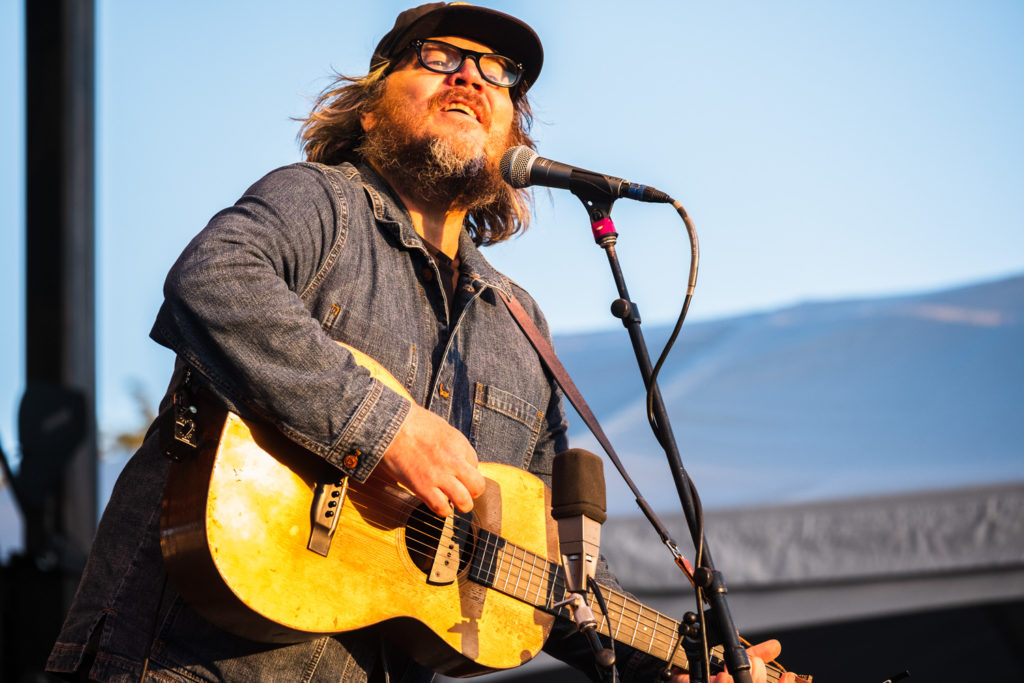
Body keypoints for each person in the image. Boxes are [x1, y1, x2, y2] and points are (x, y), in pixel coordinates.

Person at [47, 4, 796, 682]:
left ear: (513, 140)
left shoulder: (520, 323)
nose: (470, 75)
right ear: (370, 112)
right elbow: (213, 277)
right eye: (436, 57)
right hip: (179, 662)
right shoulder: (320, 201)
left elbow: (546, 573)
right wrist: (384, 428)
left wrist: (687, 659)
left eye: (498, 74)